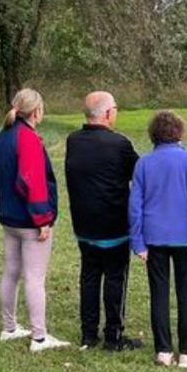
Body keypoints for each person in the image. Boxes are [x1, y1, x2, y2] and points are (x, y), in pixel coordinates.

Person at [129, 110, 187, 368]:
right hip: (185, 238)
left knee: (159, 294)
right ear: (179, 132)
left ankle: (163, 351)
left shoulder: (143, 163)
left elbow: (135, 205)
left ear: (153, 134)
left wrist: (138, 241)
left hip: (154, 238)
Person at [64, 91, 143, 352]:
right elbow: (139, 173)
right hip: (113, 224)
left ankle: (88, 333)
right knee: (115, 278)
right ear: (109, 113)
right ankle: (113, 335)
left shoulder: (73, 140)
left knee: (89, 276)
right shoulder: (119, 144)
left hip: (84, 223)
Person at [0, 88, 70, 351]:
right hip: (28, 219)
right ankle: (39, 336)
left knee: (11, 271)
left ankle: (9, 326)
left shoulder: (3, 136)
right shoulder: (27, 138)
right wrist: (43, 218)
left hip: (9, 217)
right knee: (35, 277)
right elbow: (31, 180)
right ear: (37, 111)